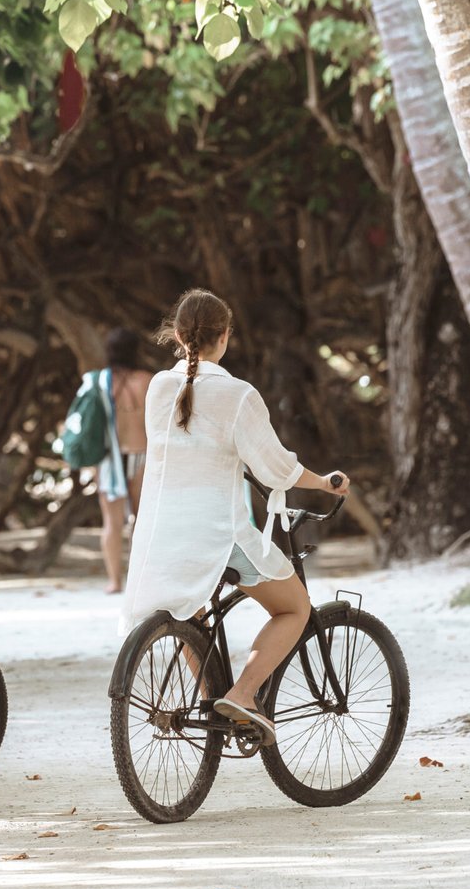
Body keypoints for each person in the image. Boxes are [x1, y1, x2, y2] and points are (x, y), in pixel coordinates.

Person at [119, 289, 350, 744]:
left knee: (192, 616)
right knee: (295, 607)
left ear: (178, 335)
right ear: (225, 336)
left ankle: (213, 702)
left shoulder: (159, 387)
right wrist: (325, 483)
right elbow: (276, 467)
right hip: (217, 534)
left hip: (161, 535)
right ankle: (242, 695)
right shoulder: (238, 395)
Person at [97, 328, 153, 594]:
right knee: (142, 520)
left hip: (110, 457)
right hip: (142, 453)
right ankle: (140, 579)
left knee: (112, 522)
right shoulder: (147, 380)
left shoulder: (100, 381)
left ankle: (114, 581)